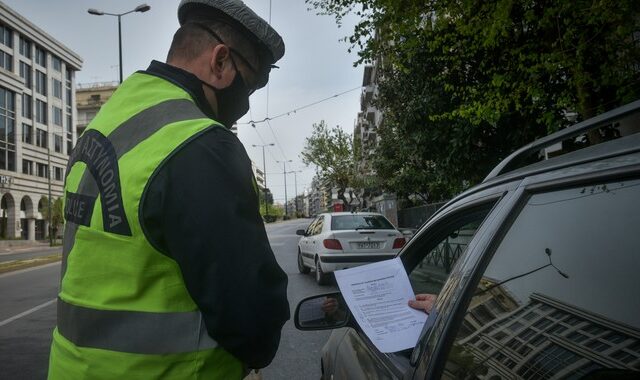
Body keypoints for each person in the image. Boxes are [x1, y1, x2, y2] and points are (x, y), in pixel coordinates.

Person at [47, 1, 289, 378]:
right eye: (252, 82)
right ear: (220, 61)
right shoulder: (200, 143)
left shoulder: (106, 125)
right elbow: (250, 315)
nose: (247, 99)